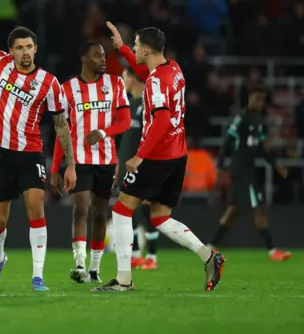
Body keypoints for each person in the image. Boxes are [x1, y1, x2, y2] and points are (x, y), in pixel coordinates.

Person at [95, 21, 224, 292]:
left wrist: (139, 156)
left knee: (120, 211)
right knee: (160, 217)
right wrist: (121, 50)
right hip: (178, 154)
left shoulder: (154, 83)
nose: (134, 49)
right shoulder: (173, 69)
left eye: (135, 46)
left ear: (146, 49)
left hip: (157, 156)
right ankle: (208, 256)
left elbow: (162, 120)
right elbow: (145, 68)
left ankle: (123, 280)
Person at [0, 22, 77, 291]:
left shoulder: (49, 83)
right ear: (10, 51)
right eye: (19, 48)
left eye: (29, 47)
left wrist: (70, 165)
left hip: (31, 153)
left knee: (36, 207)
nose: (25, 52)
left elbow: (61, 125)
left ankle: (38, 276)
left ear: (35, 49)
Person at [50, 41, 131, 284]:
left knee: (100, 213)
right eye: (97, 55)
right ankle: (79, 264)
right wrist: (56, 167)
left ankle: (95, 268)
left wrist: (104, 132)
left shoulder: (115, 84)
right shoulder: (67, 89)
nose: (103, 59)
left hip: (106, 159)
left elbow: (125, 122)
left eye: (104, 55)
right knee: (81, 208)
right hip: (79, 159)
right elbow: (62, 131)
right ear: (84, 58)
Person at [209, 88, 291, 261]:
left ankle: (210, 246)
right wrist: (220, 166)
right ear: (249, 99)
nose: (258, 102)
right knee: (259, 207)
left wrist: (276, 165)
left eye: (261, 100)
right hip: (241, 170)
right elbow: (228, 141)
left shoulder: (261, 121)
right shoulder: (242, 118)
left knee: (234, 210)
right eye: (256, 98)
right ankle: (272, 251)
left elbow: (262, 149)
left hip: (248, 170)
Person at [117, 67, 161, 270]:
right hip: (125, 166)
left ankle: (152, 256)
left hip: (142, 166)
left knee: (145, 210)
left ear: (133, 78)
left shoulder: (148, 104)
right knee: (128, 211)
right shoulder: (130, 104)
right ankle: (135, 255)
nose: (122, 80)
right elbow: (126, 140)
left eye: (124, 77)